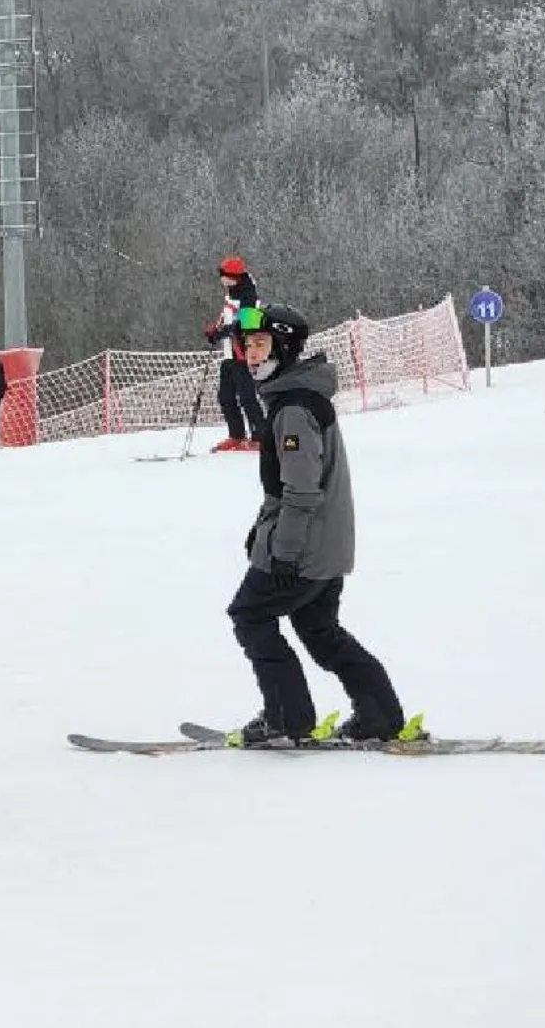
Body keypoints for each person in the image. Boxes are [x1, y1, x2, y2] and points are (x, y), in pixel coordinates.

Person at [224, 304, 417, 745]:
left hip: (304, 549)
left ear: (286, 348)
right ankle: (379, 716)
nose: (252, 355)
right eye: (247, 345)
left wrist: (284, 549)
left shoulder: (293, 408)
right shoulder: (299, 396)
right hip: (327, 546)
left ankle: (286, 717)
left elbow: (302, 490)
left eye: (261, 344)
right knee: (319, 631)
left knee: (249, 615)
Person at [204, 256, 267, 452]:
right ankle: (236, 435)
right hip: (229, 354)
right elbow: (228, 317)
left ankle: (260, 436)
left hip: (243, 353)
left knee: (247, 396)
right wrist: (215, 330)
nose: (221, 279)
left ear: (234, 276)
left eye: (224, 275)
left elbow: (247, 324)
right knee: (226, 396)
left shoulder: (249, 295)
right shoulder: (232, 293)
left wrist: (225, 331)